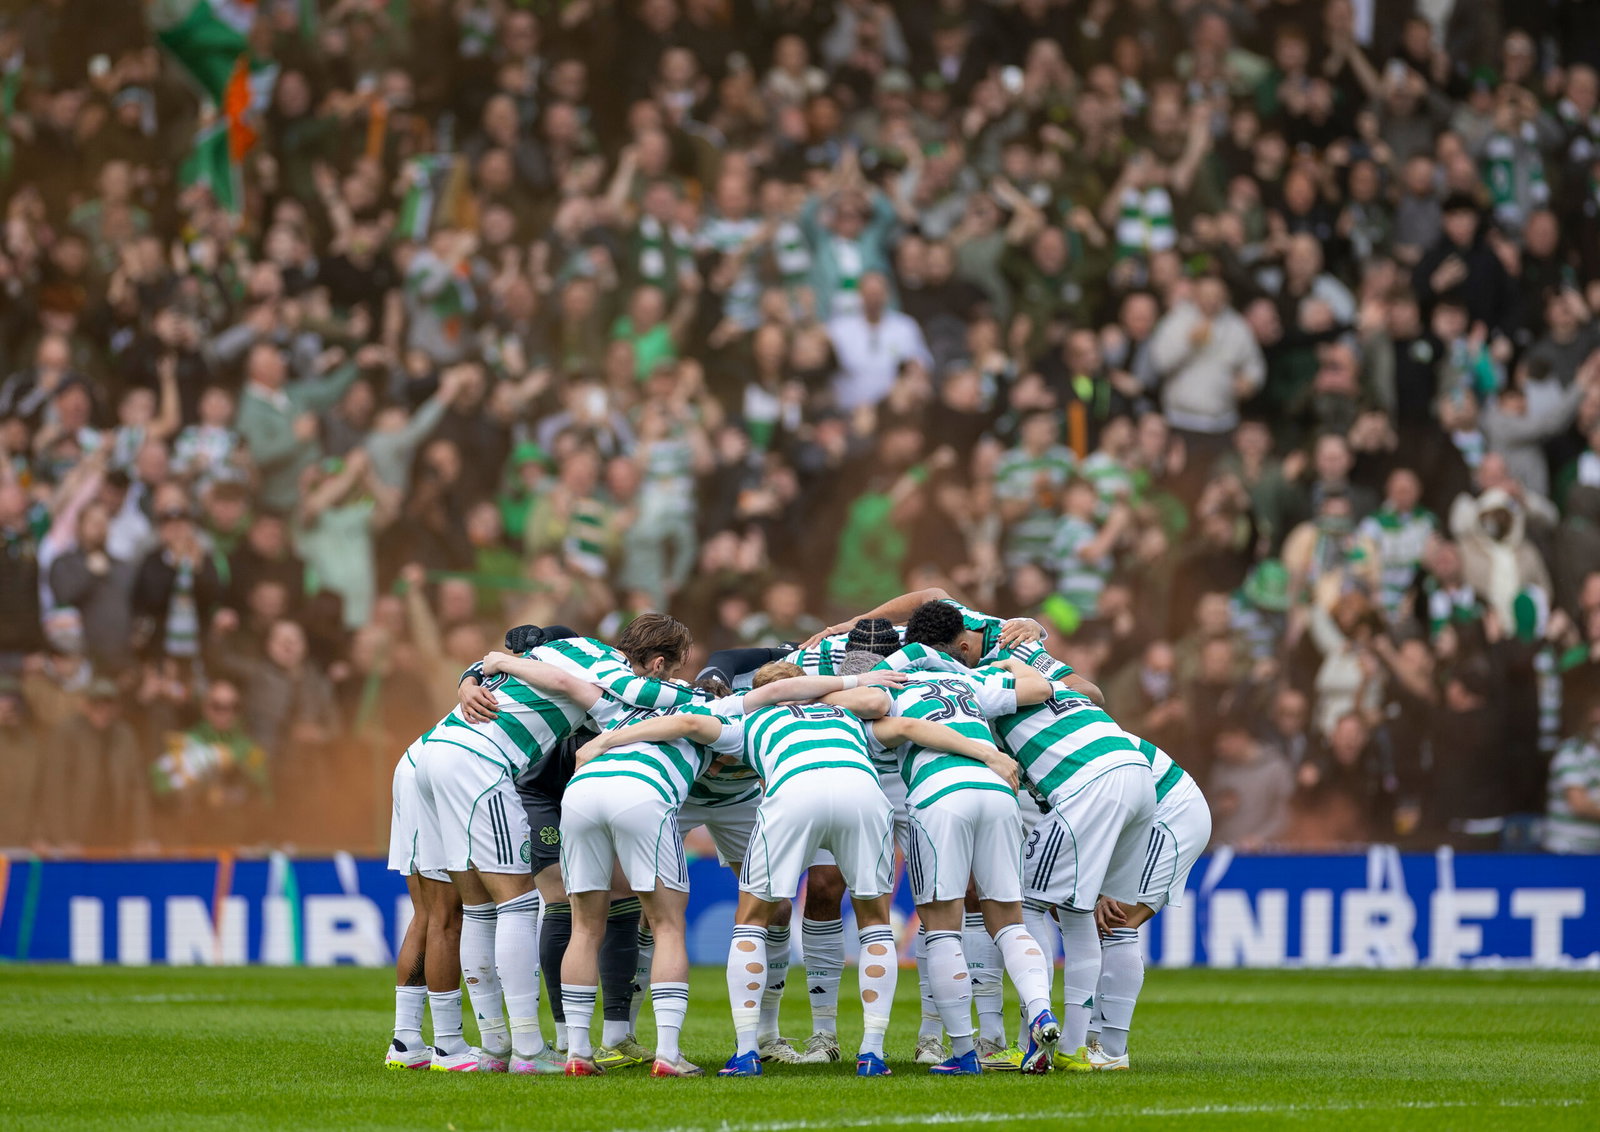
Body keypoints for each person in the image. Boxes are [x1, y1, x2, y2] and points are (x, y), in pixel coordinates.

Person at [578, 659, 1019, 1079]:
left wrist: (605, 741)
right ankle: (872, 1052)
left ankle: (748, 1049)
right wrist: (988, 754)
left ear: (758, 692)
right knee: (874, 923)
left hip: (794, 792)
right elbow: (906, 726)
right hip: (862, 793)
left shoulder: (749, 720)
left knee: (751, 921)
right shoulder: (846, 716)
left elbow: (690, 724)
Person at [488, 648, 906, 1076]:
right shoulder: (737, 710)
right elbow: (880, 707)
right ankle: (626, 1036)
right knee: (660, 917)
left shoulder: (726, 715)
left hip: (726, 801)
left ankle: (762, 1038)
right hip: (680, 796)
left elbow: (569, 684)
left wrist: (503, 666)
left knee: (760, 912)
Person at [411, 615, 698, 1073]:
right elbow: (605, 687)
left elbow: (526, 669)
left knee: (487, 907)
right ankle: (529, 1046)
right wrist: (702, 697)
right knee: (524, 904)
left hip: (445, 755)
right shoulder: (608, 669)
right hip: (506, 775)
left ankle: (506, 1044)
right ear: (661, 663)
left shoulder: (584, 665)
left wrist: (480, 669)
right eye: (678, 667)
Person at [840, 646, 1060, 1075]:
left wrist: (860, 682)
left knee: (942, 929)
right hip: (999, 792)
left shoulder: (884, 693)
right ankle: (1040, 1011)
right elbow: (1042, 686)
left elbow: (857, 706)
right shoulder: (968, 683)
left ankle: (962, 1052)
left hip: (940, 795)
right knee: (1010, 923)